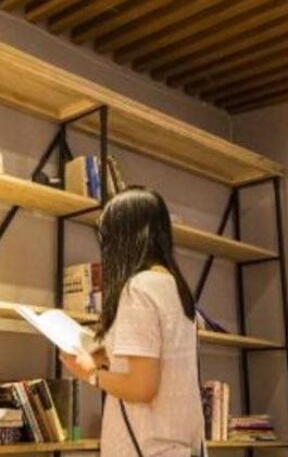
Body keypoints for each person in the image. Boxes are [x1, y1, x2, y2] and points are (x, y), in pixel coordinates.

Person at [60, 188, 205, 456]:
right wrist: (110, 354)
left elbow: (142, 387)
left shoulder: (138, 289)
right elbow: (161, 360)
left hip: (145, 447)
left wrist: (90, 373)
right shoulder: (174, 286)